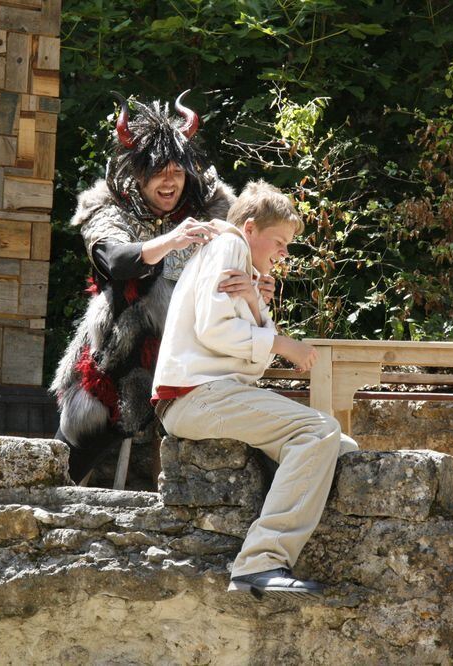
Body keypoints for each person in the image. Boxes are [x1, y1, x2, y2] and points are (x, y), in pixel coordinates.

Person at [152, 180, 358, 599]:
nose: (283, 253)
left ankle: (281, 542)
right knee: (318, 431)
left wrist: (254, 305)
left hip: (212, 394)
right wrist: (282, 343)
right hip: (194, 395)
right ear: (249, 228)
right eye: (279, 241)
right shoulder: (228, 247)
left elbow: (252, 358)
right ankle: (260, 563)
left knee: (341, 448)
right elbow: (217, 332)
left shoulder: (246, 267)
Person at [50, 91, 240, 483]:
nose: (169, 181)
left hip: (196, 351)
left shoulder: (211, 204)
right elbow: (114, 261)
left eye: (177, 170)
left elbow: (245, 251)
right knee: (68, 464)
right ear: (137, 172)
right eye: (158, 171)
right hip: (122, 352)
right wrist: (171, 241)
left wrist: (255, 284)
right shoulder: (107, 207)